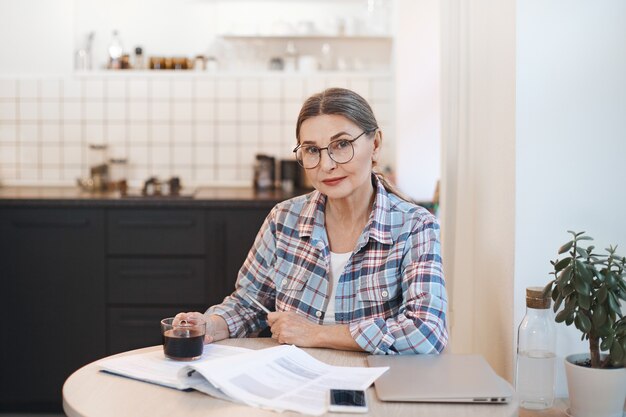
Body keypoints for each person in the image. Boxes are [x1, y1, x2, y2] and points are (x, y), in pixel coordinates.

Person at [176, 87, 448, 354]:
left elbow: (426, 331)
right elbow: (248, 306)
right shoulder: (283, 219)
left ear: (375, 145)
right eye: (311, 150)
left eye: (342, 145)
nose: (326, 164)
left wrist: (316, 334)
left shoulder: (416, 226)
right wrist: (209, 325)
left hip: (372, 382)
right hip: (293, 381)